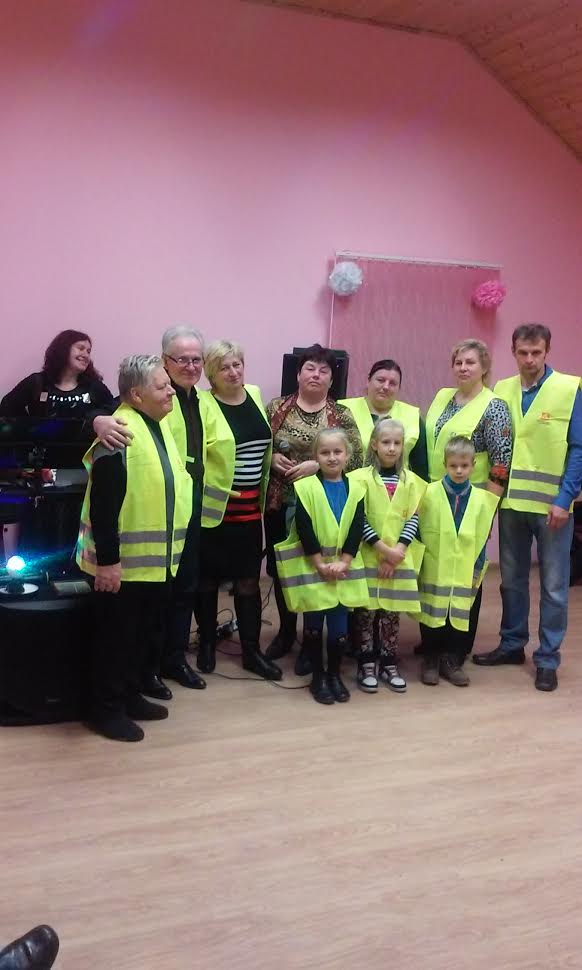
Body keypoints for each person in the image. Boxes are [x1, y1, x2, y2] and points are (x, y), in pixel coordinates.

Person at [77, 354, 193, 741]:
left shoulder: (157, 425)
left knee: (140, 638)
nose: (171, 391)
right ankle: (105, 711)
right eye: (162, 386)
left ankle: (129, 696)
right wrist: (108, 562)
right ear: (136, 395)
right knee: (115, 641)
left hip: (154, 565)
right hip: (121, 566)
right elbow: (104, 505)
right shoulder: (119, 432)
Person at [473, 324, 582, 691]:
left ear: (547, 351)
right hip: (510, 503)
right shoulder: (501, 390)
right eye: (523, 352)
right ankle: (512, 644)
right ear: (513, 352)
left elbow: (579, 449)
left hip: (553, 508)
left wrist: (565, 499)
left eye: (537, 352)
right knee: (512, 582)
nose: (530, 360)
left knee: (553, 587)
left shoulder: (569, 389)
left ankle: (547, 659)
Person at [264, 345, 363, 674]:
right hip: (280, 501)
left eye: (323, 371)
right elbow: (258, 445)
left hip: (323, 507)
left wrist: (316, 466)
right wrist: (270, 459)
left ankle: (310, 643)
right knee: (284, 568)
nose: (316, 375)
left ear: (332, 379)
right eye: (310, 368)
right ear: (298, 373)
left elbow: (357, 458)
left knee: (313, 567)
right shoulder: (276, 408)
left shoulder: (342, 415)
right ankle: (285, 632)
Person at [195, 340, 282, 680]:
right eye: (224, 368)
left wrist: (273, 459)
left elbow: (261, 445)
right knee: (206, 580)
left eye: (237, 364)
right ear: (211, 374)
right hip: (216, 507)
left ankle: (251, 652)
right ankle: (206, 643)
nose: (233, 372)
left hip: (250, 508)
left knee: (248, 580)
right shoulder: (203, 402)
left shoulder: (255, 394)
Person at [275, 428, 367, 704]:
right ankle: (318, 676)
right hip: (314, 570)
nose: (332, 457)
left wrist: (344, 561)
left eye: (337, 451)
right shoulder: (305, 488)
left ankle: (334, 675)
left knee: (339, 628)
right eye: (325, 452)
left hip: (343, 572)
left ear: (347, 455)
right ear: (316, 456)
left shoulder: (357, 489)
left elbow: (356, 528)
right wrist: (319, 563)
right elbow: (304, 528)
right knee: (313, 625)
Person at [141, 326, 207, 698]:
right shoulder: (154, 394)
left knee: (186, 587)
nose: (191, 366)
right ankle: (148, 667)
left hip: (193, 509)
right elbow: (113, 411)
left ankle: (175, 658)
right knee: (158, 593)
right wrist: (97, 420)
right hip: (160, 513)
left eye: (197, 359)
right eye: (182, 359)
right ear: (165, 360)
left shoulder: (203, 400)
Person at [351, 418, 426, 693]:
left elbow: (413, 517)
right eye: (386, 442)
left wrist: (398, 552)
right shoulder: (359, 479)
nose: (392, 448)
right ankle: (366, 662)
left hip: (399, 559)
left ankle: (389, 662)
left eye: (397, 443)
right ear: (374, 444)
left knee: (392, 613)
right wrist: (384, 551)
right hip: (370, 557)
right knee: (366, 613)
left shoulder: (412, 481)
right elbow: (358, 519)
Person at [418, 436, 499, 686]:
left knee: (461, 613)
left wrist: (478, 568)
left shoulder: (483, 500)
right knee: (431, 612)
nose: (459, 471)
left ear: (473, 465)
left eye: (464, 465)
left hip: (465, 568)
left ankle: (451, 659)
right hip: (434, 566)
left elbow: (482, 537)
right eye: (453, 466)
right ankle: (431, 658)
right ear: (445, 464)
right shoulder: (428, 493)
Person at [425, 339, 512, 494]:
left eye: (470, 363)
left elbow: (501, 464)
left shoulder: (494, 407)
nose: (463, 368)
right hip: (434, 493)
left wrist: (489, 503)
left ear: (484, 368)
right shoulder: (442, 396)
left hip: (470, 497)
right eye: (458, 363)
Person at [339, 358, 428, 477]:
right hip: (350, 484)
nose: (386, 386)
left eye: (392, 383)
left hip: (399, 486)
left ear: (399, 388)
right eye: (380, 380)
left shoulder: (412, 415)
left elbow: (420, 466)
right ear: (368, 381)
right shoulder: (343, 410)